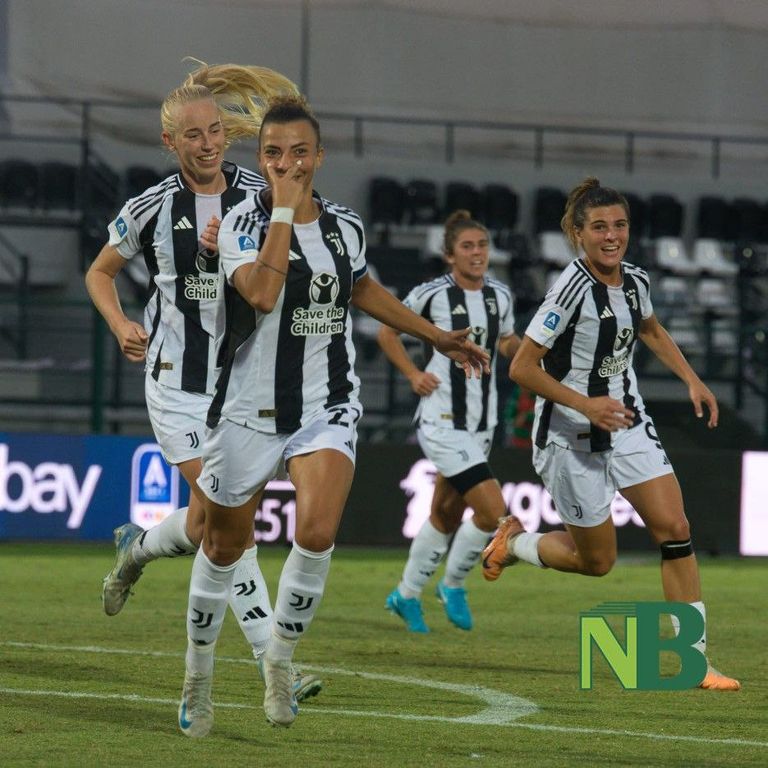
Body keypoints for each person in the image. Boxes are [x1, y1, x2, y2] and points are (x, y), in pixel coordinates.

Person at [179, 94, 490, 738]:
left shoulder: (345, 226)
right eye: (272, 154)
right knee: (222, 545)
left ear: (319, 156)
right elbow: (262, 294)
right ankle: (198, 677)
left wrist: (435, 335)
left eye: (298, 153)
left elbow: (361, 287)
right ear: (259, 160)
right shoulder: (239, 224)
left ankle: (278, 664)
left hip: (327, 403)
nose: (285, 164)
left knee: (317, 532)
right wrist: (283, 211)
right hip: (246, 410)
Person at [85, 62, 322, 701]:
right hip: (177, 386)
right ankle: (277, 664)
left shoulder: (256, 193)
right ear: (171, 142)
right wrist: (121, 324)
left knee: (202, 527)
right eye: (193, 135)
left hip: (238, 386)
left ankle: (136, 549)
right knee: (231, 523)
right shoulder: (152, 207)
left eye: (216, 130)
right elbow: (99, 272)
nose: (209, 143)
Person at [482, 176, 740, 691]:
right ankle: (515, 544)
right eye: (599, 227)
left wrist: (692, 380)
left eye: (619, 225)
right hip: (570, 436)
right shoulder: (570, 289)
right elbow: (522, 368)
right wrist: (586, 405)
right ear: (578, 234)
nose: (612, 236)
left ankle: (696, 663)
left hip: (626, 423)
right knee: (596, 562)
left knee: (675, 528)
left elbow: (650, 328)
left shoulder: (636, 281)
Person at [377, 210, 520, 633]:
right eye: (467, 246)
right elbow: (387, 331)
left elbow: (506, 340)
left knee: (446, 512)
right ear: (450, 255)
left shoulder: (501, 295)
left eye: (482, 245)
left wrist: (531, 353)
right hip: (442, 419)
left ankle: (405, 595)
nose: (477, 253)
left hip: (482, 422)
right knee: (493, 511)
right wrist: (412, 374)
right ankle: (454, 584)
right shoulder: (431, 294)